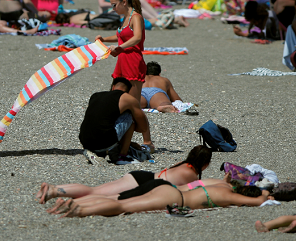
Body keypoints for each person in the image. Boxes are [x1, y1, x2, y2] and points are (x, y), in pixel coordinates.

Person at [36, 145, 212, 204]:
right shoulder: (192, 175)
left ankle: (55, 190)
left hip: (142, 176)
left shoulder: (183, 164)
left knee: (95, 190)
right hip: (144, 184)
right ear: (205, 163)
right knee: (96, 193)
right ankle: (53, 192)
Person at [53, 175, 270, 217]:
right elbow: (258, 201)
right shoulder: (230, 197)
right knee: (121, 207)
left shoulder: (222, 186)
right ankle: (79, 210)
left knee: (119, 200)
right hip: (172, 199)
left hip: (168, 189)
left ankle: (74, 203)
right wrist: (266, 195)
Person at [79, 77, 153, 165]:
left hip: (85, 142)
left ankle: (96, 152)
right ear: (127, 91)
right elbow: (143, 127)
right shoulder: (128, 98)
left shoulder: (95, 95)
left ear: (113, 87)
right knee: (130, 116)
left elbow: (98, 122)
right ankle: (122, 156)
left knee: (106, 119)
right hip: (105, 142)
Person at [95, 0, 147, 102]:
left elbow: (137, 37)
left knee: (132, 101)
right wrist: (104, 39)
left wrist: (120, 47)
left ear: (124, 2)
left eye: (114, 5)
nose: (113, 9)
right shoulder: (125, 18)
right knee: (117, 98)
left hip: (133, 60)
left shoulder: (136, 17)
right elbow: (120, 36)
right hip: (123, 59)